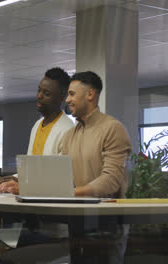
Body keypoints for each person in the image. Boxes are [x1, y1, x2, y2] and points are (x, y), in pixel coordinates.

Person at [62, 71, 131, 263]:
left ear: (90, 94)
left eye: (72, 94)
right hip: (77, 219)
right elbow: (60, 175)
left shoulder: (112, 128)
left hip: (107, 223)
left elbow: (111, 181)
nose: (67, 99)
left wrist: (71, 192)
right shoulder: (69, 136)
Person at [0, 67, 73, 194]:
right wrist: (2, 181)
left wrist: (22, 187)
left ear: (61, 97)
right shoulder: (37, 125)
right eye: (39, 90)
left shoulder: (67, 130)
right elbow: (31, 172)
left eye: (46, 94)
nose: (39, 96)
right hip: (32, 200)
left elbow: (60, 179)